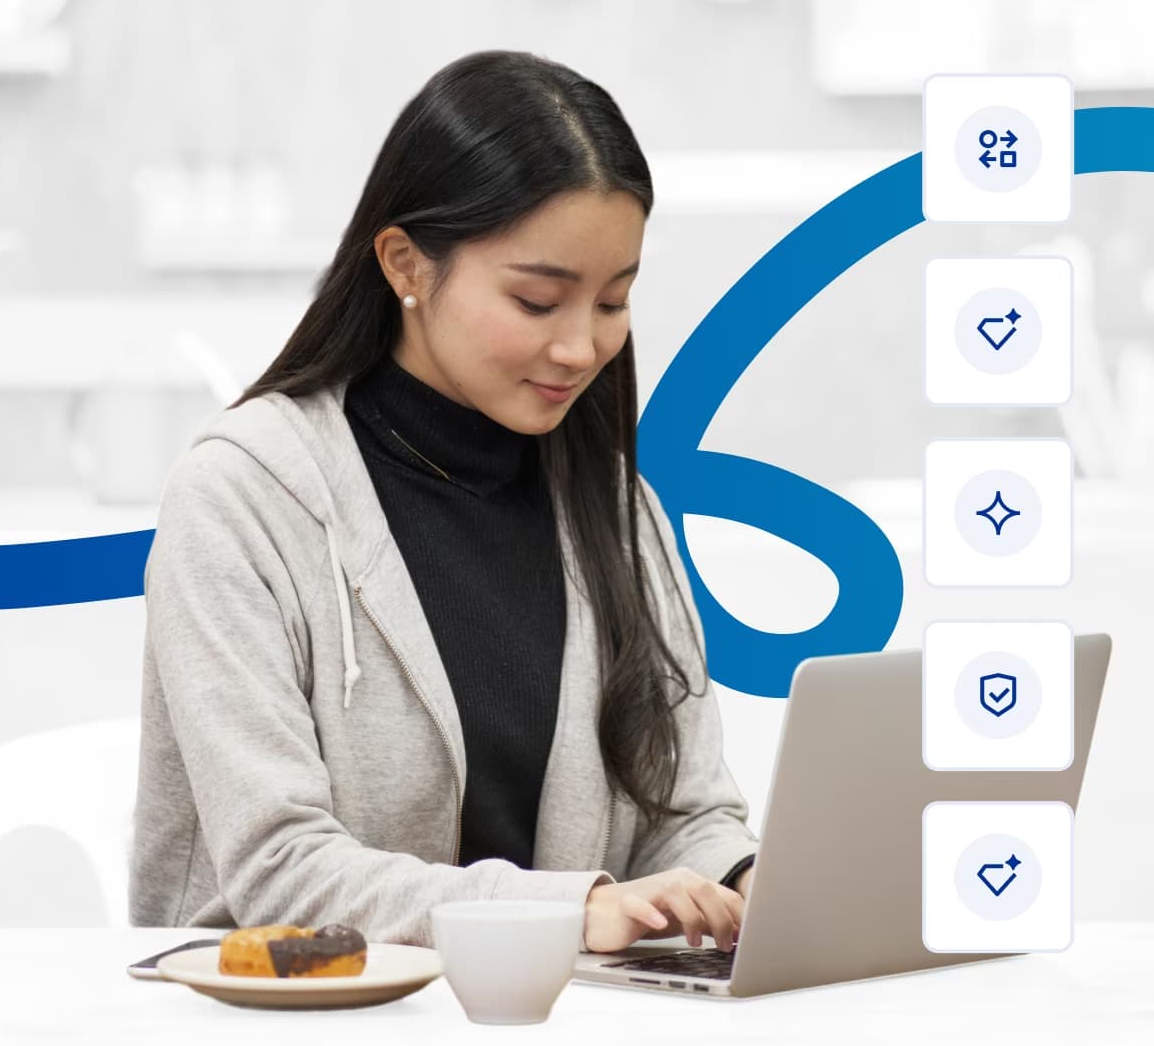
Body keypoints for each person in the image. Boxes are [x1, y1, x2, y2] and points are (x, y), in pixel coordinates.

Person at [128, 49, 758, 955]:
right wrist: (567, 912)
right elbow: (278, 869)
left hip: (549, 1031)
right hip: (286, 1033)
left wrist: (741, 878)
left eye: (614, 301)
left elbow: (682, 812)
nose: (583, 347)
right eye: (538, 300)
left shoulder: (616, 508)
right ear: (404, 265)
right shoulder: (240, 499)